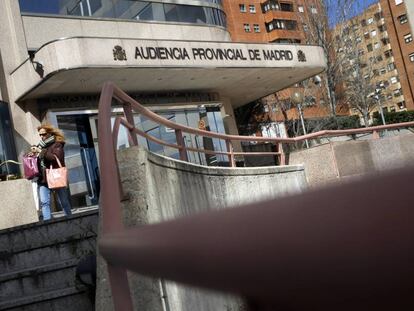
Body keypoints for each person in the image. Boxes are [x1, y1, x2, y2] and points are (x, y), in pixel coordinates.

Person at [30, 124, 72, 220]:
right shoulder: (40, 146)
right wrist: (33, 154)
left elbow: (54, 158)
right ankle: (47, 225)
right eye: (40, 135)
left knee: (63, 201)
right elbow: (39, 162)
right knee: (44, 203)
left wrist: (41, 151)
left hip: (56, 176)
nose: (41, 137)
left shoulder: (57, 144)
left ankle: (70, 220)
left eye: (43, 134)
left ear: (49, 133)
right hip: (43, 178)